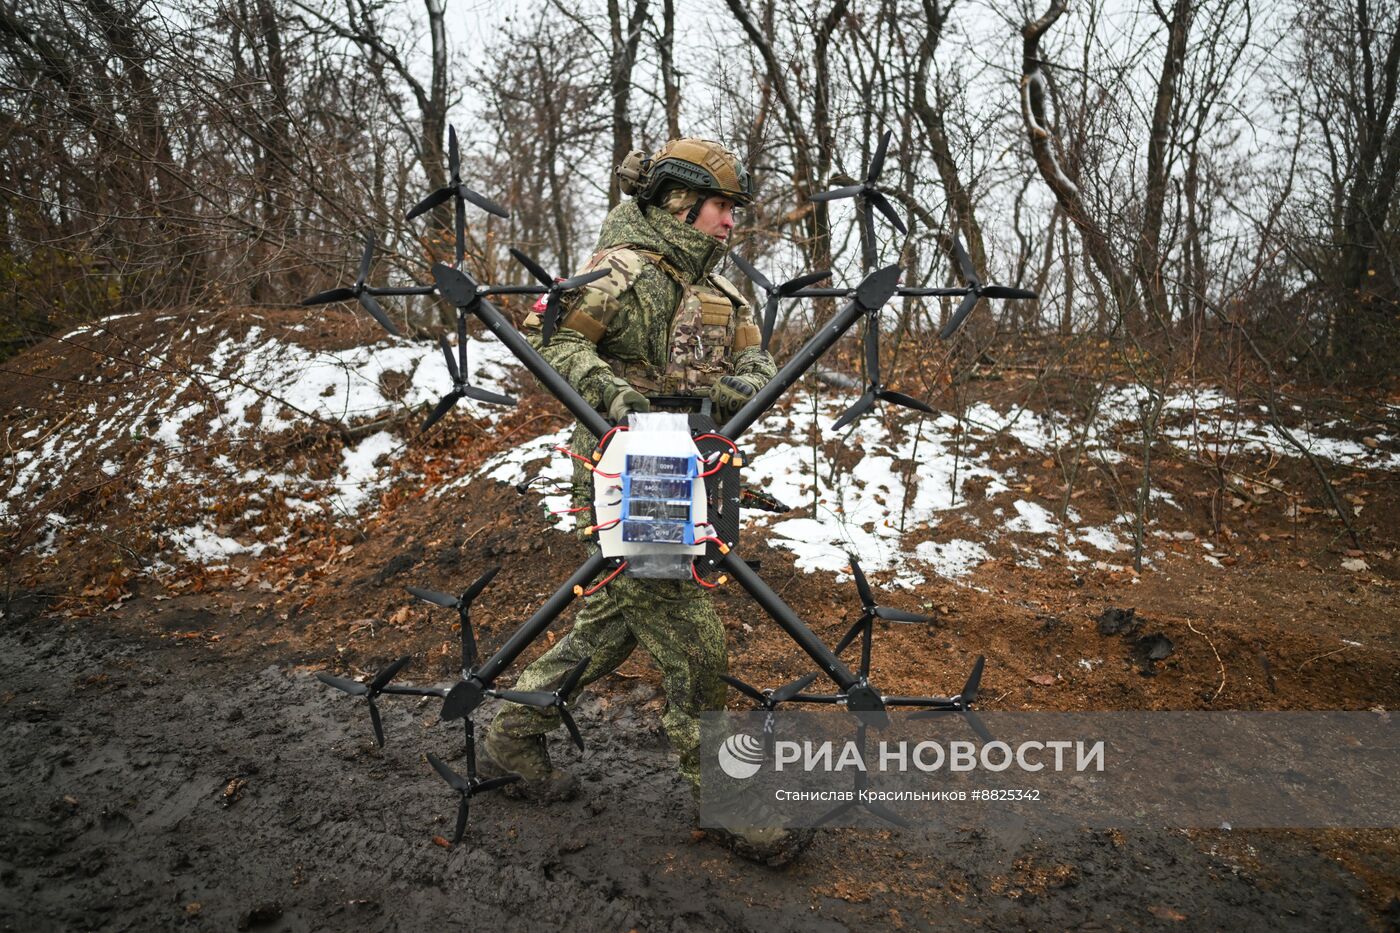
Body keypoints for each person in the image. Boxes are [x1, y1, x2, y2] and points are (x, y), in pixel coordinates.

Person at [479, 137, 810, 865]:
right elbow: (552, 339)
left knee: (613, 626)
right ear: (679, 202)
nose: (732, 222)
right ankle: (727, 800)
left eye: (734, 210)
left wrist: (743, 383)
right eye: (723, 207)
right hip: (630, 473)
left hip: (695, 470)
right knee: (694, 638)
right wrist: (612, 396)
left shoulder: (722, 288)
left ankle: (507, 736)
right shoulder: (620, 273)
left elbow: (753, 354)